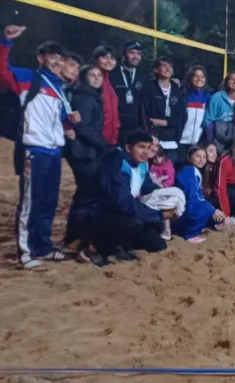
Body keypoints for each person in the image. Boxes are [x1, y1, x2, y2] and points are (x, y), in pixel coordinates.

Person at [0, 26, 76, 268]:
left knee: (48, 203)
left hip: (54, 153)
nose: (57, 62)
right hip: (34, 151)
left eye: (61, 58)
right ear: (41, 58)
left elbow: (58, 121)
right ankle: (26, 253)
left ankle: (42, 247)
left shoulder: (59, 88)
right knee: (30, 203)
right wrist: (5, 42)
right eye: (52, 56)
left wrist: (69, 123)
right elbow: (2, 72)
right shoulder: (28, 78)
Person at [91, 131, 173, 266]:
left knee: (158, 245)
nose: (146, 152)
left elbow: (146, 186)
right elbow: (123, 202)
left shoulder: (142, 164)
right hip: (104, 213)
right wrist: (159, 214)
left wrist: (168, 196)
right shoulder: (117, 165)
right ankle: (93, 249)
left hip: (126, 211)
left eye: (149, 147)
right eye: (141, 147)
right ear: (128, 148)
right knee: (135, 223)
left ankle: (122, 244)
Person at [62, 65, 111, 254]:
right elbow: (83, 128)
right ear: (84, 78)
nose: (97, 78)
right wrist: (105, 145)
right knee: (86, 197)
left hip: (87, 152)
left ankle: (76, 238)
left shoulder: (91, 96)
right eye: (92, 75)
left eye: (99, 75)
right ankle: (74, 239)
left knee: (85, 195)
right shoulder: (85, 97)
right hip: (84, 154)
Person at [174, 146, 225, 242]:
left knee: (210, 207)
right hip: (182, 210)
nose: (201, 160)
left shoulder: (192, 170)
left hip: (184, 207)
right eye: (198, 156)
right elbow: (192, 197)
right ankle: (190, 234)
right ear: (190, 157)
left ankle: (202, 227)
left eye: (204, 157)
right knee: (206, 207)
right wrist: (212, 210)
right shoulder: (190, 171)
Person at [140, 57, 185, 163]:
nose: (168, 68)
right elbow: (143, 112)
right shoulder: (148, 88)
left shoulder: (177, 90)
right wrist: (149, 133)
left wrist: (166, 122)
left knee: (170, 169)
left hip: (171, 139)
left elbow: (181, 116)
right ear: (156, 70)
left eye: (170, 66)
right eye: (164, 65)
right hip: (153, 138)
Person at [204, 73, 235, 148]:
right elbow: (207, 121)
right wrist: (211, 141)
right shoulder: (217, 97)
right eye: (232, 79)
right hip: (216, 137)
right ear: (226, 82)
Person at [110, 41, 143, 144]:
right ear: (124, 54)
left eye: (138, 53)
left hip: (135, 128)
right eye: (132, 53)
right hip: (115, 127)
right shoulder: (112, 74)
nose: (135, 56)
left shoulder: (143, 77)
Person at [91, 45, 120, 146]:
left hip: (111, 140)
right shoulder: (92, 80)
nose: (109, 61)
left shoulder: (109, 81)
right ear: (95, 60)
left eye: (112, 58)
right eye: (104, 57)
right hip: (97, 141)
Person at [179, 65, 211, 153]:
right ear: (190, 77)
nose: (199, 79)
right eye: (196, 76)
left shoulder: (208, 96)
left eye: (202, 76)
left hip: (198, 143)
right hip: (180, 141)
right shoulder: (182, 94)